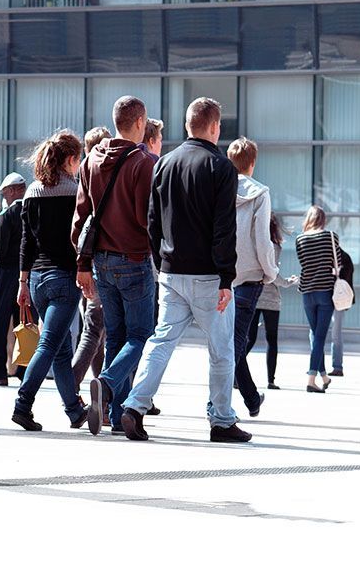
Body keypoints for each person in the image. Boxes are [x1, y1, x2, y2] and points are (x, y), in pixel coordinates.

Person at [117, 97, 250, 444]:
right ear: (215, 127)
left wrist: (160, 262)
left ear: (187, 125)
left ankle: (134, 406)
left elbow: (152, 221)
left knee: (160, 342)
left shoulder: (164, 163)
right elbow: (224, 228)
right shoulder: (221, 168)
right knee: (221, 351)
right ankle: (221, 420)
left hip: (171, 272)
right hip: (209, 276)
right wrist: (226, 277)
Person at [75, 98, 157, 435]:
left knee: (117, 336)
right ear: (139, 122)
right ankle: (107, 384)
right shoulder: (143, 162)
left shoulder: (90, 160)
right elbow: (146, 218)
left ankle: (116, 413)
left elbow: (80, 218)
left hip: (101, 261)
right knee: (140, 335)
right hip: (134, 259)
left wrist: (83, 264)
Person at [11, 129, 90, 432]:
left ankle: (74, 410)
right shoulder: (76, 192)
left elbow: (26, 243)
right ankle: (22, 404)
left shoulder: (32, 192)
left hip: (36, 281)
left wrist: (22, 283)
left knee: (61, 347)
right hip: (64, 279)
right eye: (78, 159)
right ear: (70, 159)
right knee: (49, 344)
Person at [227, 137, 277, 418]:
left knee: (230, 342)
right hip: (249, 279)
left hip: (222, 277)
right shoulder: (260, 193)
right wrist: (270, 272)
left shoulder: (219, 190)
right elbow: (262, 239)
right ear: (253, 162)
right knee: (234, 345)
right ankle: (219, 405)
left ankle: (251, 398)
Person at [71, 127, 111, 394]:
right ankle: (71, 386)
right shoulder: (100, 174)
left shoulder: (83, 174)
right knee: (94, 331)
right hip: (100, 261)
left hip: (86, 262)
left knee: (96, 331)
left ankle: (100, 389)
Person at [295, 205, 346, 394]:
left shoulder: (300, 239)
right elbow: (337, 264)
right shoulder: (331, 236)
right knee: (319, 337)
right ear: (323, 219)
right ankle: (311, 380)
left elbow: (303, 263)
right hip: (325, 292)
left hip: (307, 293)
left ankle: (323, 376)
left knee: (316, 335)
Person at [0, 172, 27, 385]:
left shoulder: (6, 215)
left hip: (4, 273)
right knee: (25, 323)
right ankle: (24, 371)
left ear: (12, 191)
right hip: (26, 273)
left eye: (5, 192)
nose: (4, 196)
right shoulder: (31, 212)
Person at [244, 213, 294, 390]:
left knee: (248, 339)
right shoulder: (274, 246)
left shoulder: (252, 243)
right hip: (270, 298)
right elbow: (271, 273)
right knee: (271, 340)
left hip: (253, 294)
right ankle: (271, 380)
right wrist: (288, 282)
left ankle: (235, 375)